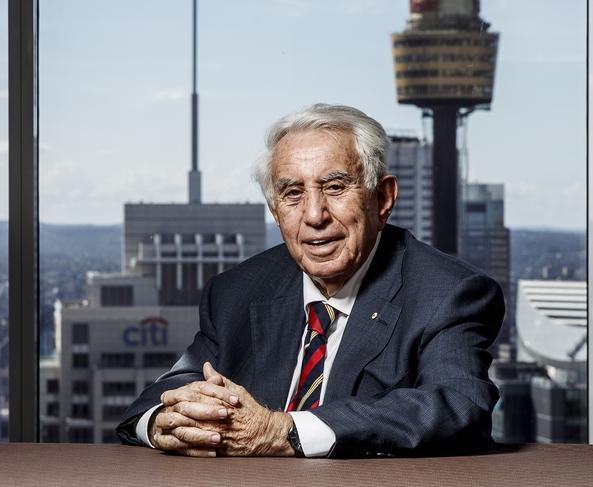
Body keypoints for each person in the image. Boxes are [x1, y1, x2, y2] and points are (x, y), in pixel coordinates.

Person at [117, 103, 504, 458]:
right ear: (275, 210)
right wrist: (162, 423)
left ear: (383, 198)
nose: (314, 215)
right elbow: (169, 391)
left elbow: (458, 405)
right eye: (293, 193)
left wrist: (283, 431)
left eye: (335, 187)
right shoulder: (237, 291)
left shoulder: (449, 293)